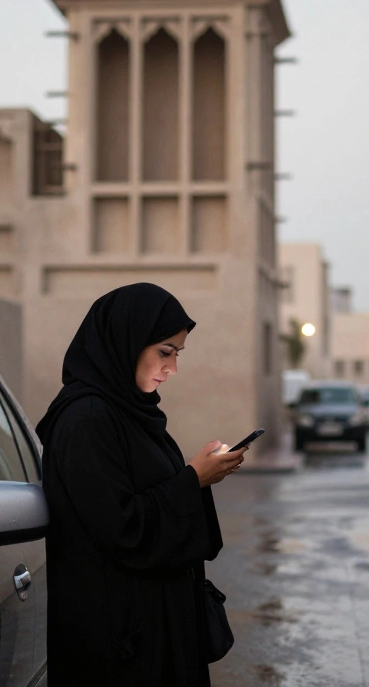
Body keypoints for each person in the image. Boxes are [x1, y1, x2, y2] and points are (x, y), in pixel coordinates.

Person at [35, 283, 248, 687]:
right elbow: (121, 526)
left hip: (154, 631)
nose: (172, 368)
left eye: (177, 355)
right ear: (125, 342)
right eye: (164, 352)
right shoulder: (86, 420)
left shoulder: (131, 414)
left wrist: (196, 477)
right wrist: (193, 479)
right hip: (118, 647)